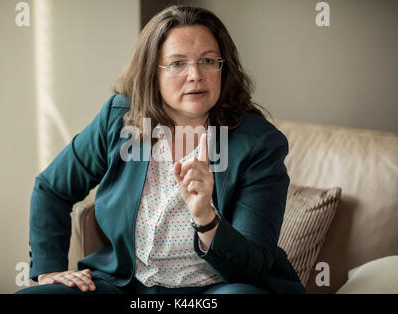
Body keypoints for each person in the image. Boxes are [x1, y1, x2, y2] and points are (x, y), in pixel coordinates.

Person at [17, 5, 305, 294]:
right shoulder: (119, 119)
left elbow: (252, 268)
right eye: (177, 63)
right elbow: (52, 188)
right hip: (125, 286)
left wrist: (206, 217)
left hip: (213, 290)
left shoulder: (259, 143)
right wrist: (49, 269)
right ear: (151, 72)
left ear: (223, 67)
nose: (195, 75)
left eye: (208, 61)